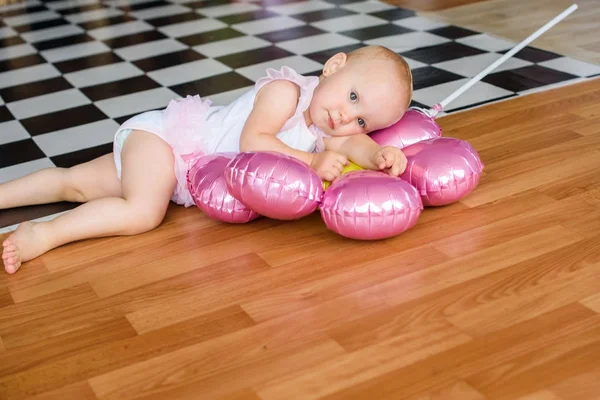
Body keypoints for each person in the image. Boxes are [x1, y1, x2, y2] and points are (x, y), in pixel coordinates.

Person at [0, 44, 413, 274]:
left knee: (74, 183)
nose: (345, 116)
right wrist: (310, 164)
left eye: (361, 119)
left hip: (169, 160)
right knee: (142, 212)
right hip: (165, 141)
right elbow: (255, 140)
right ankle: (44, 234)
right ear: (333, 67)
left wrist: (379, 154)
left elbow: (352, 146)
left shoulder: (331, 130)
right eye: (352, 97)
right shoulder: (287, 93)